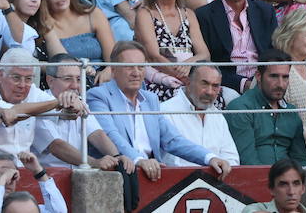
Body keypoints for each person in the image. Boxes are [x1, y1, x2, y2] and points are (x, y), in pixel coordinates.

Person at [87, 40, 233, 179]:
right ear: (113, 70)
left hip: (150, 175)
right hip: (115, 175)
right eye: (129, 66)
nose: (136, 73)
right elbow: (111, 137)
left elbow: (173, 139)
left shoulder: (150, 99)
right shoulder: (98, 96)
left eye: (141, 67)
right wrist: (139, 161)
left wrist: (209, 157)